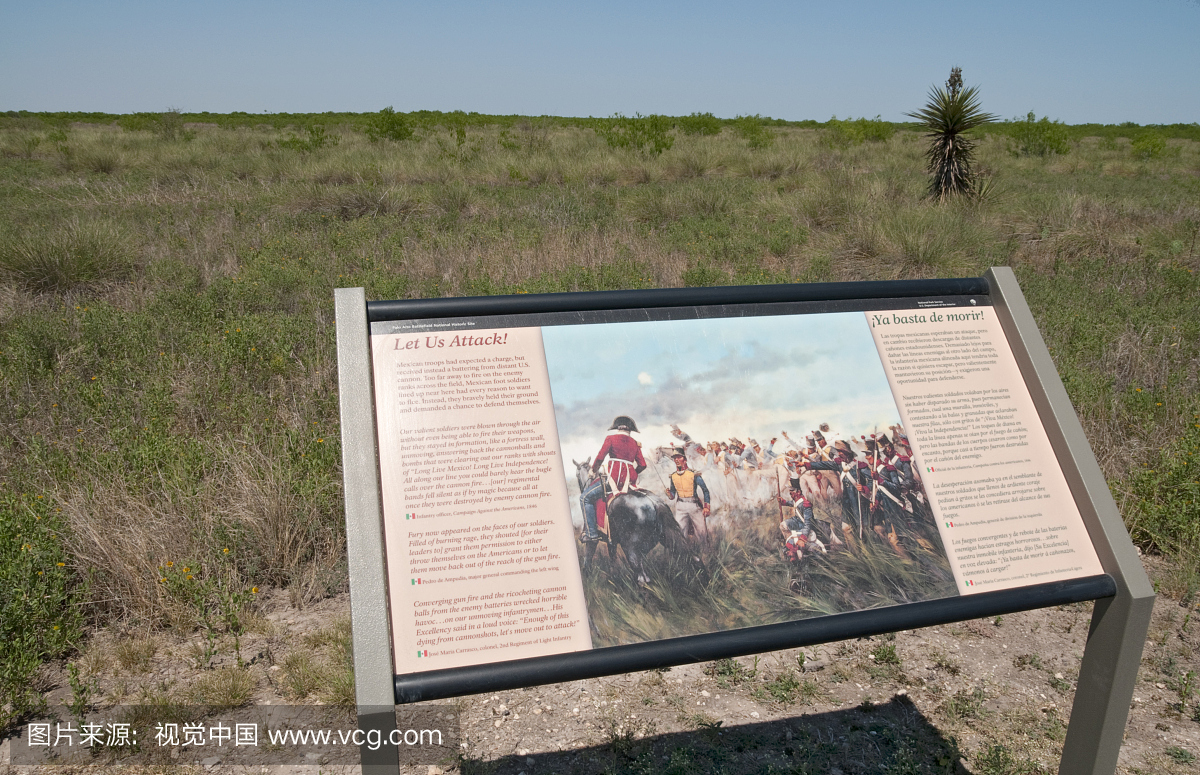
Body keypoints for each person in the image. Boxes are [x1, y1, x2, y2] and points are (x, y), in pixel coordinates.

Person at [580, 415, 646, 542]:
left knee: (585, 497)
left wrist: (593, 471)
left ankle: (592, 534)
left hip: (613, 480)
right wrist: (632, 474)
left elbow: (600, 457)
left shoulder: (610, 438)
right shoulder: (635, 443)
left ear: (617, 428)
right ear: (630, 430)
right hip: (630, 482)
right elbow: (643, 465)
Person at [667, 447, 711, 544]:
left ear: (685, 459)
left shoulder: (693, 474)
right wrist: (669, 494)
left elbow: (705, 490)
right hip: (680, 507)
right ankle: (684, 555)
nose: (677, 460)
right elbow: (673, 495)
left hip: (694, 506)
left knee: (701, 533)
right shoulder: (673, 476)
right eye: (675, 458)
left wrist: (706, 507)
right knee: (681, 533)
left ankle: (706, 554)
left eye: (679, 457)